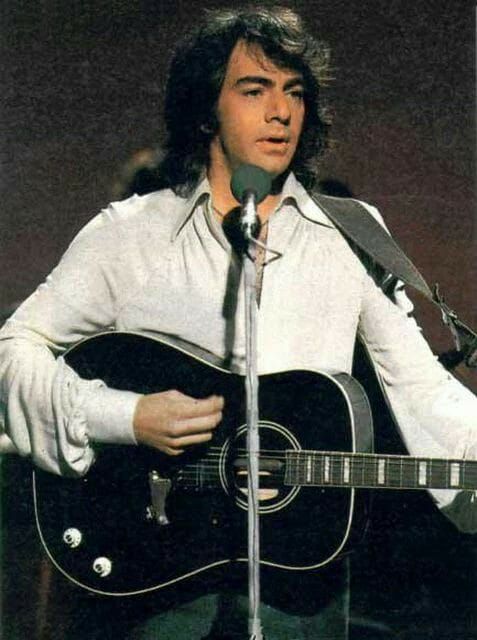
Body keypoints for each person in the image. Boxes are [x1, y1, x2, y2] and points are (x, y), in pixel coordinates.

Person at [1, 6, 476, 639]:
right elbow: (14, 348)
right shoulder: (129, 236)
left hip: (301, 581)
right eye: (254, 90)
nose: (281, 112)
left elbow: (422, 389)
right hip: (156, 575)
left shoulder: (349, 234)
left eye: (294, 92)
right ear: (206, 109)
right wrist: (127, 416)